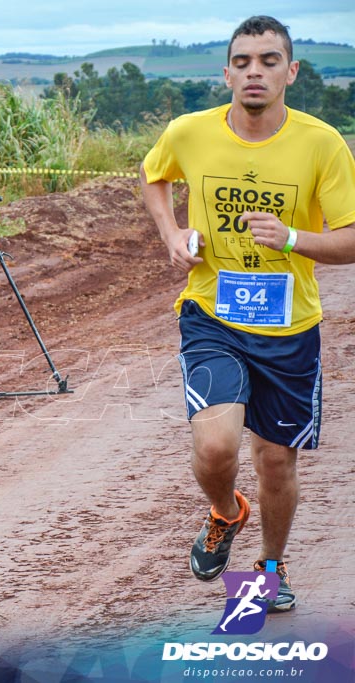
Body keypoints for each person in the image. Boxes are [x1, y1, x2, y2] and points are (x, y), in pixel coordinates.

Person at [140, 15, 355, 613]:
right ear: (226, 72)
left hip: (289, 329)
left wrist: (291, 239)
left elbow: (352, 238)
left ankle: (268, 569)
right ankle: (226, 510)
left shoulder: (321, 143)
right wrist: (172, 233)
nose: (253, 72)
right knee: (215, 448)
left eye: (267, 61)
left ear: (291, 71)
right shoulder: (190, 132)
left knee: (275, 460)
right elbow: (154, 176)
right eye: (242, 62)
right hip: (213, 314)